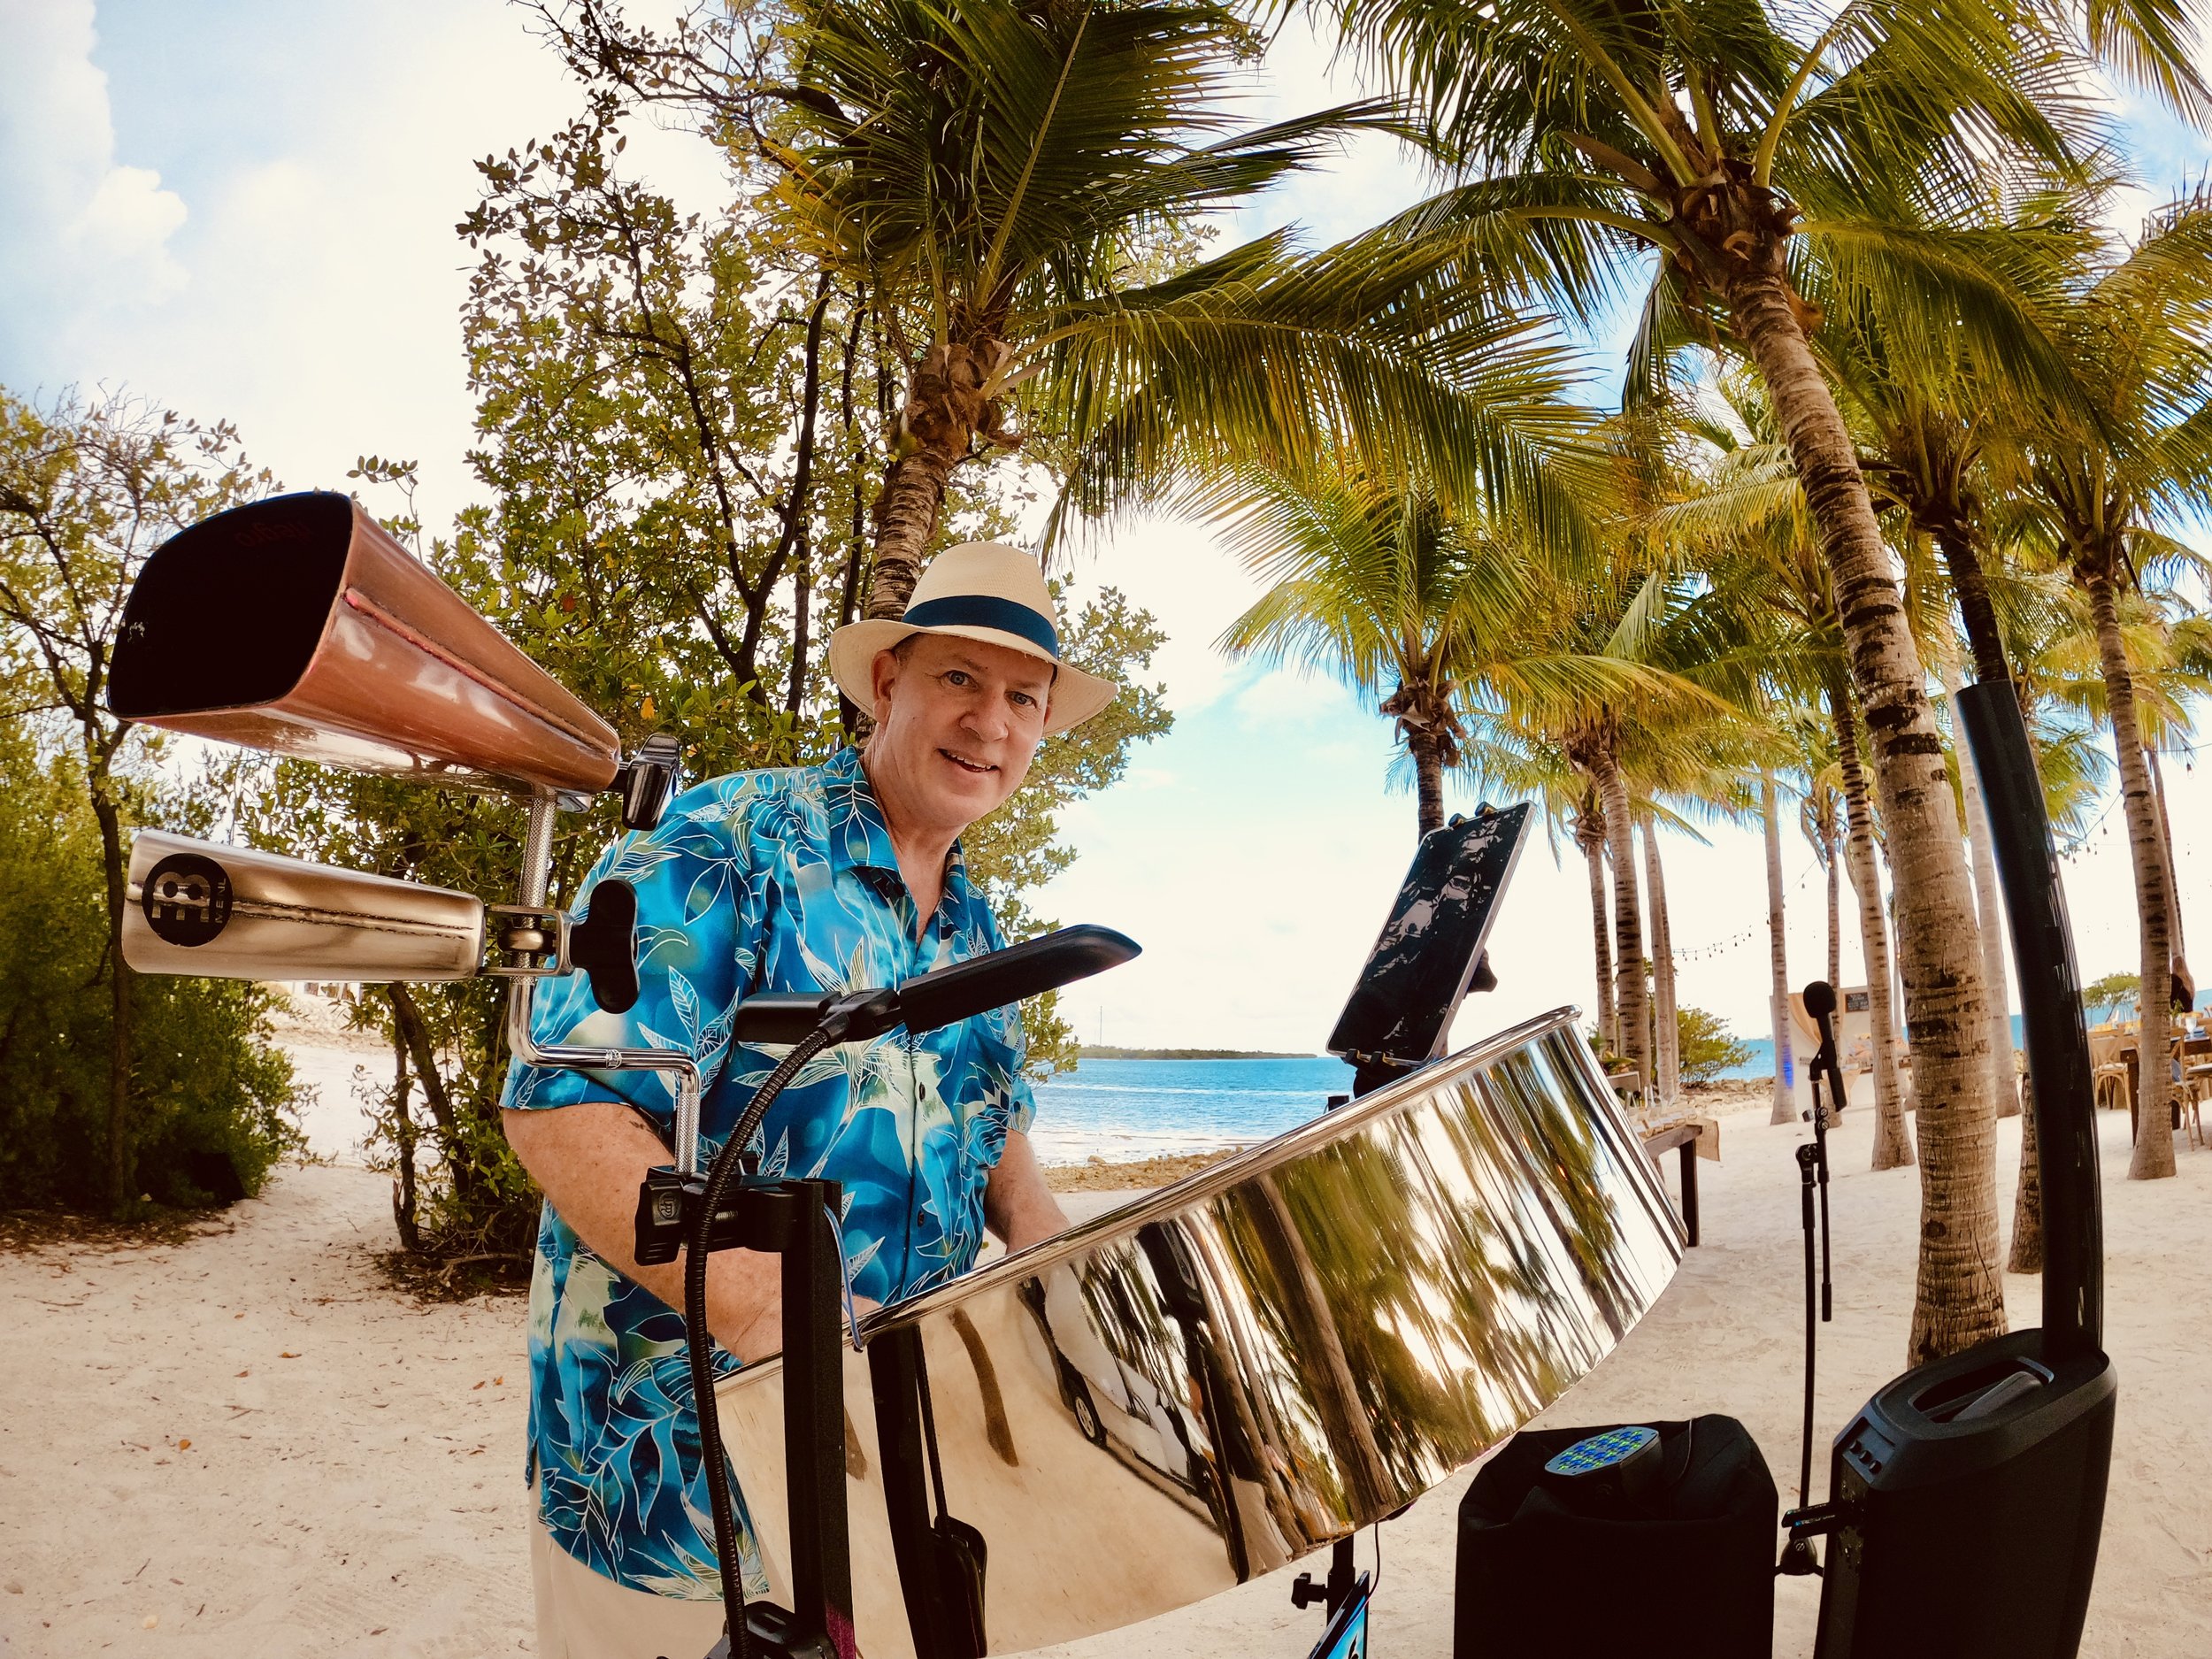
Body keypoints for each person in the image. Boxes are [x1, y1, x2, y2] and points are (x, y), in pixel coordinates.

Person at [499, 541, 1120, 1658]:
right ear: (886, 683)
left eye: (1022, 698)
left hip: (878, 1479)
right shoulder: (725, 844)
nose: (991, 723)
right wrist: (755, 1311)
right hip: (671, 1482)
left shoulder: (975, 929)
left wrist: (1064, 1266)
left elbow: (996, 1146)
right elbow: (557, 1103)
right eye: (959, 680)